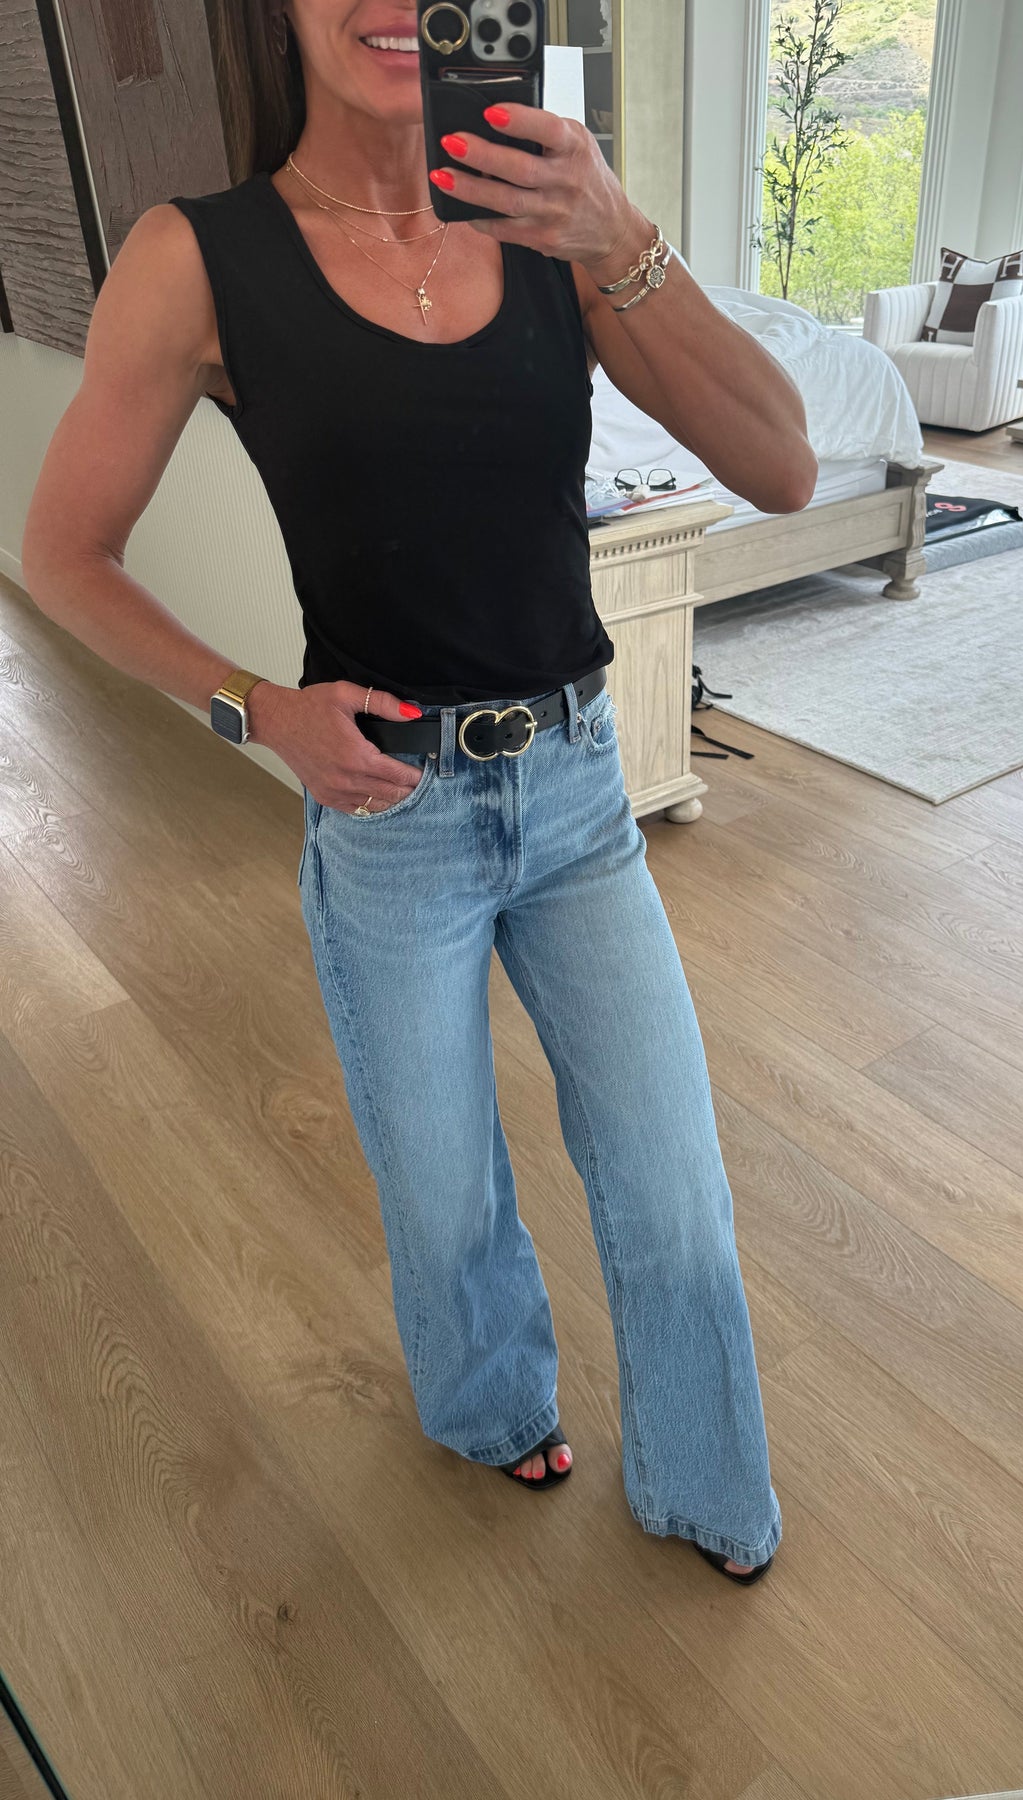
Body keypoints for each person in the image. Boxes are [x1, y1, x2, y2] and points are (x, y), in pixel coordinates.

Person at [20, 0, 817, 1585]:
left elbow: (784, 467)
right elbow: (63, 554)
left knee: (672, 1195)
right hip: (390, 817)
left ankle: (703, 1485)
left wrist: (619, 232)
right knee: (442, 1199)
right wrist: (254, 711)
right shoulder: (197, 259)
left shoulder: (554, 218)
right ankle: (485, 1405)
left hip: (580, 797)